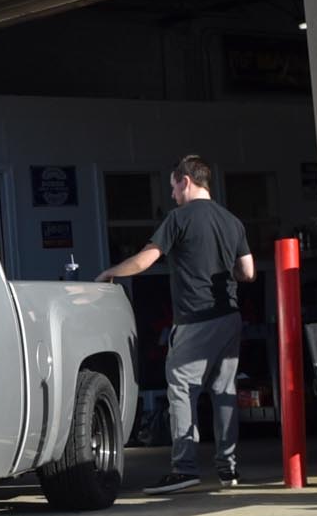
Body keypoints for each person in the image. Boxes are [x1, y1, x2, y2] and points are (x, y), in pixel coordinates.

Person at [98, 155, 255, 493]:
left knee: (182, 387)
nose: (171, 195)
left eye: (172, 187)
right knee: (223, 392)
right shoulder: (232, 221)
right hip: (229, 317)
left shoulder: (179, 219)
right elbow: (248, 272)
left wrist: (110, 272)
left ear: (185, 180)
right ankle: (228, 469)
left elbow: (145, 260)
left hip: (195, 319)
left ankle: (184, 469)